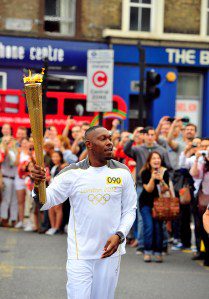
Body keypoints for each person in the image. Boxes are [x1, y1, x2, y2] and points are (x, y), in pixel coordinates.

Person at [30, 126, 137, 299]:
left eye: (110, 138)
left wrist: (120, 235)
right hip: (79, 254)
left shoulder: (122, 172)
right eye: (103, 139)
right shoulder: (72, 173)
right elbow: (44, 202)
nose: (110, 142)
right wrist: (37, 184)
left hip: (110, 252)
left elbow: (130, 209)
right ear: (89, 144)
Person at [139, 152, 170, 263]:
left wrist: (161, 179)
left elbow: (166, 189)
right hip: (146, 203)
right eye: (154, 158)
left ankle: (158, 252)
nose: (156, 160)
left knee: (158, 228)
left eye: (158, 158)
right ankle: (147, 251)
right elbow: (148, 189)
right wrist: (152, 178)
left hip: (159, 204)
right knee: (149, 227)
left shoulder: (165, 172)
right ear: (149, 161)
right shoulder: (145, 172)